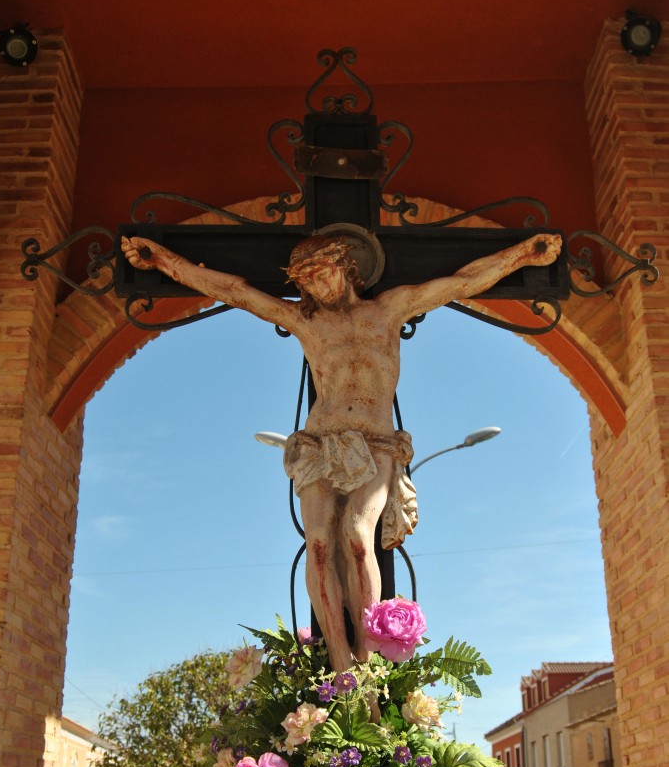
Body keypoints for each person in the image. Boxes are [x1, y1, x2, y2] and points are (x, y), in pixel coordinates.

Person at [122, 230, 561, 673]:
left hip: (374, 443)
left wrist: (523, 255)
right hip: (319, 442)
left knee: (355, 533)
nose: (316, 286)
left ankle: (366, 660)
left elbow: (461, 282)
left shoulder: (389, 309)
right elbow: (236, 292)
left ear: (346, 267)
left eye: (322, 273)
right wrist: (162, 262)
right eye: (306, 281)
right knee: (317, 543)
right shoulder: (307, 323)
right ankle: (339, 661)